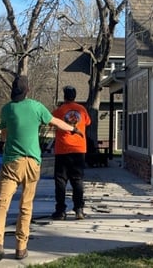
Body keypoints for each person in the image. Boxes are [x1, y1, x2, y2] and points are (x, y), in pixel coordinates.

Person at [0, 75, 83, 268]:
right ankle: (21, 247)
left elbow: (2, 137)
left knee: (1, 205)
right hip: (33, 163)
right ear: (28, 90)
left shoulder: (7, 109)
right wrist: (74, 130)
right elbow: (58, 123)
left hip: (12, 163)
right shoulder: (36, 107)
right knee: (26, 206)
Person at [51, 85, 91, 220]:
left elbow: (51, 123)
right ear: (75, 95)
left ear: (64, 96)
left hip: (62, 149)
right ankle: (79, 209)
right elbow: (87, 122)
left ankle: (60, 211)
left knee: (61, 181)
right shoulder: (82, 110)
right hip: (79, 149)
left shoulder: (59, 111)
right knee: (77, 180)